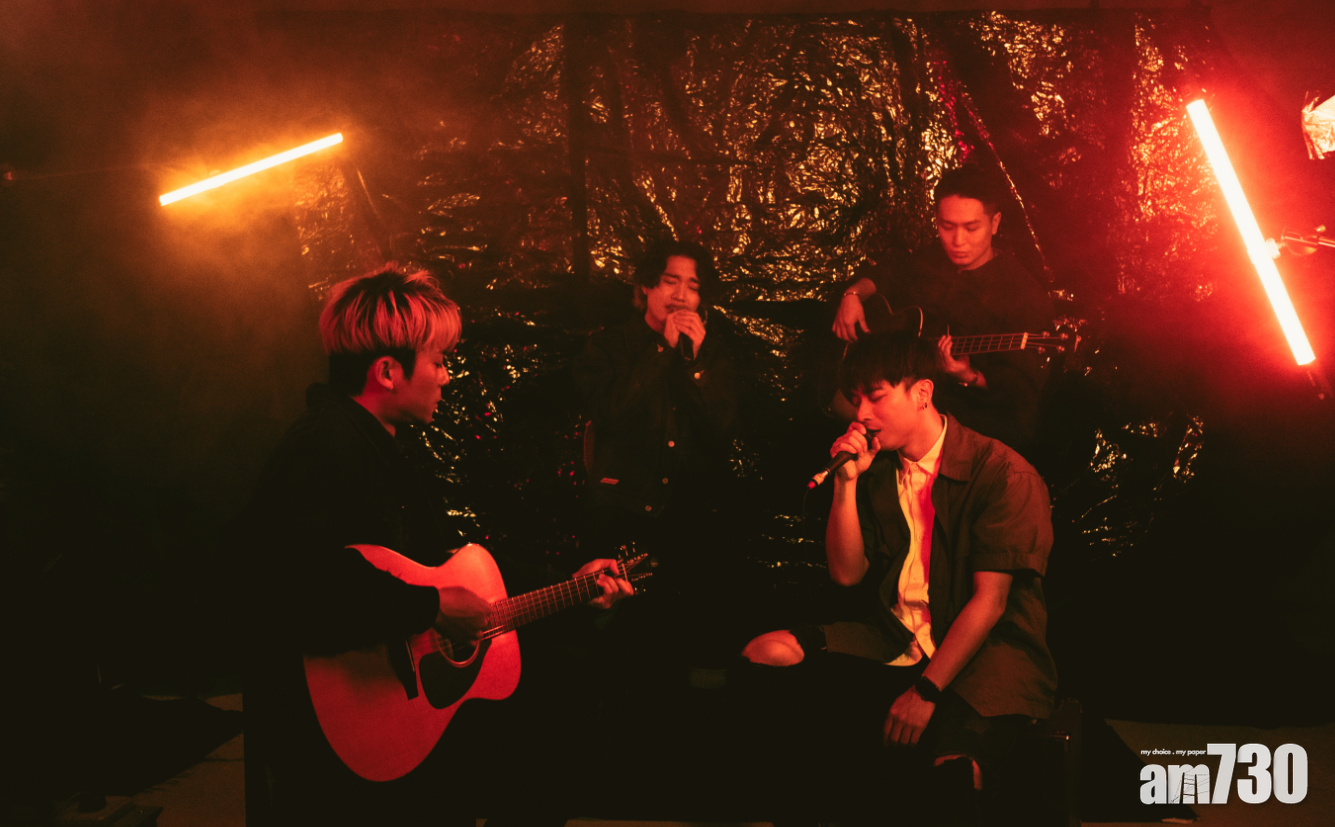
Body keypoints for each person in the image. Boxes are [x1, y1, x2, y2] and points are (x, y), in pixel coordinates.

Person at [240, 265, 632, 826]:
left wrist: (571, 582)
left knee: (562, 707)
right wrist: (431, 608)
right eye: (439, 361)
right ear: (387, 372)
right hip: (339, 720)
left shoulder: (386, 448)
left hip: (399, 702)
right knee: (554, 731)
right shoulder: (323, 447)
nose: (448, 377)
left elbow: (450, 563)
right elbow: (299, 582)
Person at [740, 332, 1057, 824]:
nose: (861, 414)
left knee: (954, 778)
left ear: (923, 393)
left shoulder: (1003, 474)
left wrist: (924, 694)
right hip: (895, 637)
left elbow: (990, 603)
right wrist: (846, 484)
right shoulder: (879, 470)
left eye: (876, 396)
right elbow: (847, 575)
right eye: (856, 399)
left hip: (985, 654)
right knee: (766, 653)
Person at [573, 238, 740, 676]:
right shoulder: (608, 347)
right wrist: (661, 351)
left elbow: (721, 433)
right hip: (624, 510)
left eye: (693, 287)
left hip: (693, 517)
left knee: (697, 644)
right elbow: (609, 414)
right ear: (647, 285)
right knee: (621, 650)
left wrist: (696, 364)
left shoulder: (713, 353)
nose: (681, 295)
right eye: (670, 281)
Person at [831, 166, 1053, 453]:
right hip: (908, 390)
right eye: (947, 227)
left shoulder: (1024, 295)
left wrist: (970, 376)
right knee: (836, 398)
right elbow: (889, 273)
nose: (957, 241)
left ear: (995, 223)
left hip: (966, 410)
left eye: (971, 228)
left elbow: (1022, 396)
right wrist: (852, 295)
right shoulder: (932, 258)